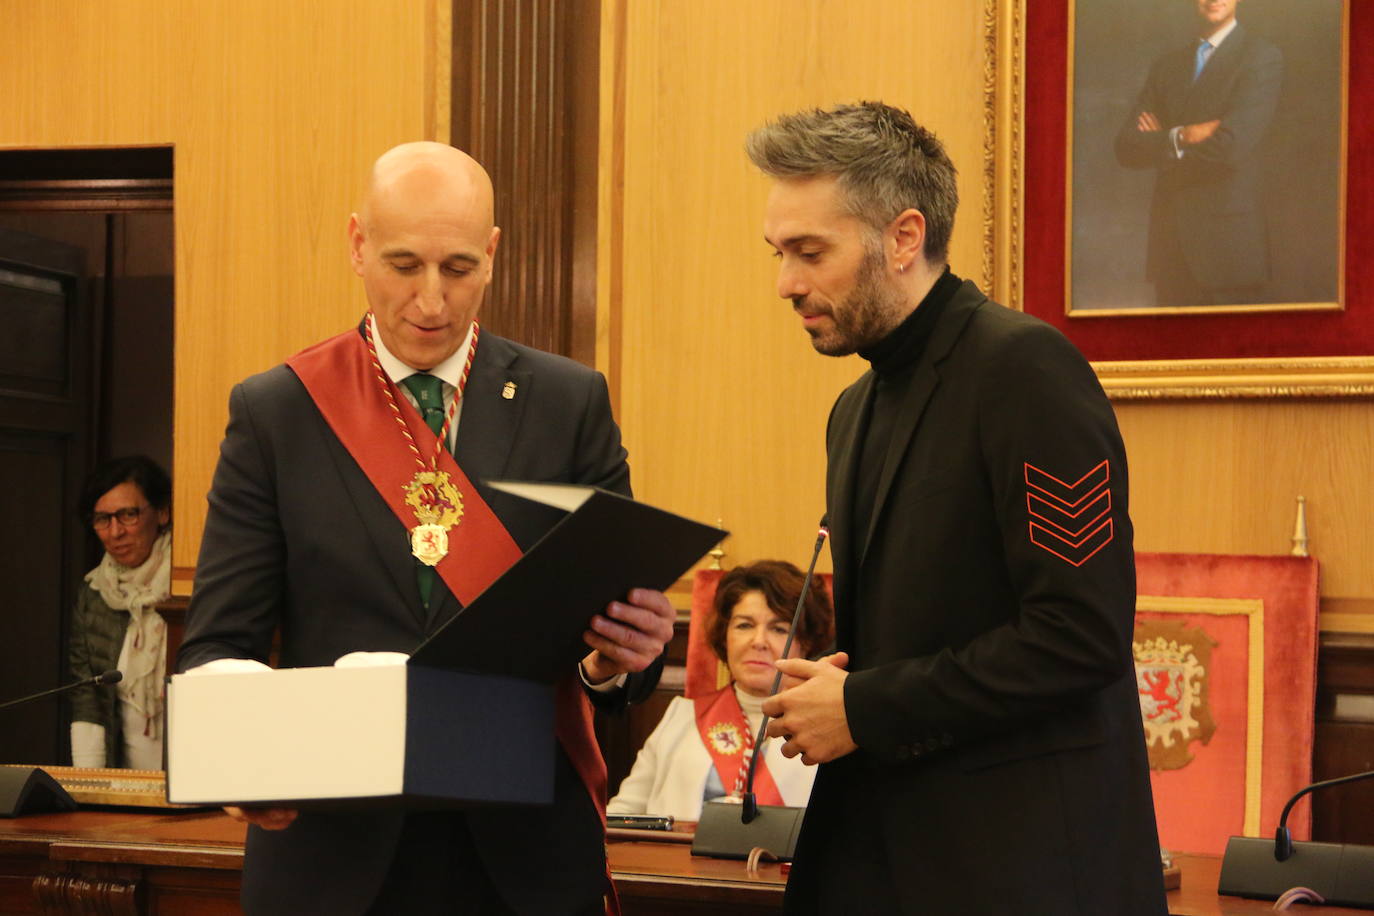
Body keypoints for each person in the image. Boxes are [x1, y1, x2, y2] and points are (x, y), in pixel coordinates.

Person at [176, 142, 676, 916]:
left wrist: (623, 659)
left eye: (459, 268)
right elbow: (217, 646)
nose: (432, 301)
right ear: (357, 244)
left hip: (525, 856)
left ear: (494, 255)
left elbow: (614, 656)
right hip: (334, 853)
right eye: (404, 265)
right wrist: (245, 764)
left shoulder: (568, 402)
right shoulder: (278, 413)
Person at [747, 102, 1166, 914]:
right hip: (882, 864)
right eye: (779, 253)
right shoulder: (855, 408)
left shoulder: (1025, 370)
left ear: (904, 238)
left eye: (810, 252)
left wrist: (863, 706)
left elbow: (1081, 637)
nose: (787, 282)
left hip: (1021, 873)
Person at [608, 560, 833, 821]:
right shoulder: (682, 716)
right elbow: (622, 816)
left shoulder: (825, 727)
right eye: (744, 625)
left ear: (806, 644)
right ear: (724, 636)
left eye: (779, 628)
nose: (758, 641)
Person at [1114, 0, 1282, 307]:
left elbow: (1230, 146)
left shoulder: (1261, 57)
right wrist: (1183, 135)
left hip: (1230, 251)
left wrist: (1162, 141)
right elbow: (1126, 147)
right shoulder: (1167, 66)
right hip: (1172, 247)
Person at [68, 455, 172, 771]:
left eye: (128, 515)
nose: (115, 532)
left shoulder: (191, 585)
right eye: (102, 519)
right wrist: (90, 785)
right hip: (126, 773)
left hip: (194, 769)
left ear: (162, 512)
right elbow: (88, 696)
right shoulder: (95, 594)